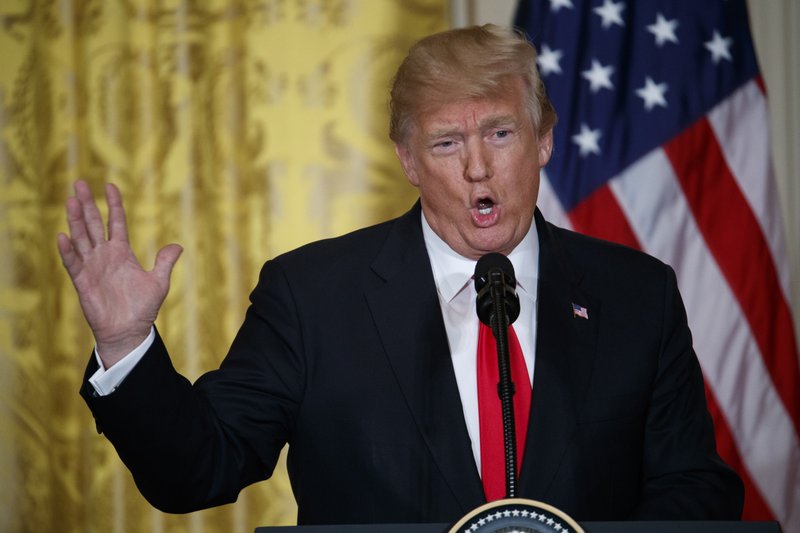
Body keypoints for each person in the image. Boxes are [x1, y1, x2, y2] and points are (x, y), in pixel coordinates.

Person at [58, 24, 743, 525]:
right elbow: (197, 470)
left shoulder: (637, 294)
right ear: (408, 160)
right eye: (447, 143)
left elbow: (694, 486)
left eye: (501, 134)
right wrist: (127, 346)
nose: (478, 168)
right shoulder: (312, 296)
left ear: (544, 140)